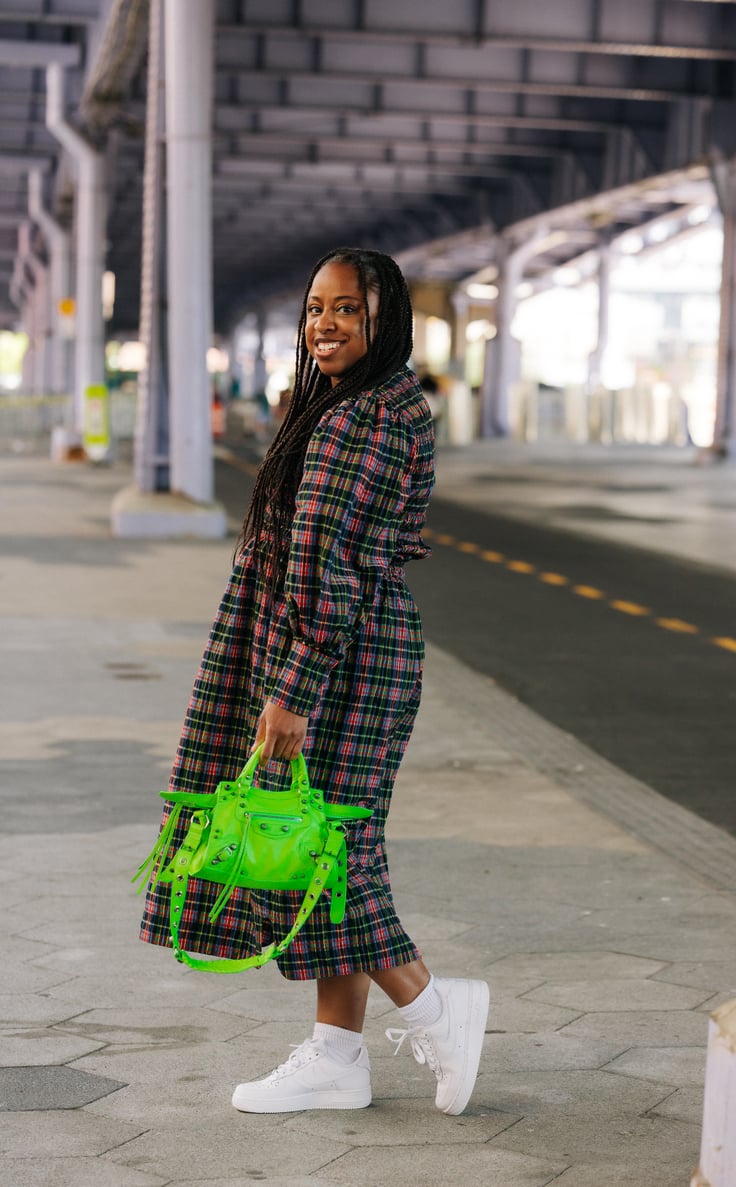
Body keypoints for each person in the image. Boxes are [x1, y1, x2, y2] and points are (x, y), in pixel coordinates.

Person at [139, 246, 489, 1116]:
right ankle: (337, 1053)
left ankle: (438, 1007)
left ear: (387, 320)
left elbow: (329, 567)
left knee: (329, 855)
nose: (326, 324)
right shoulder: (347, 403)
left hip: (342, 661)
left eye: (349, 310)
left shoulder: (361, 419)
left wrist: (295, 687)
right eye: (316, 309)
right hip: (340, 651)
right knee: (317, 848)